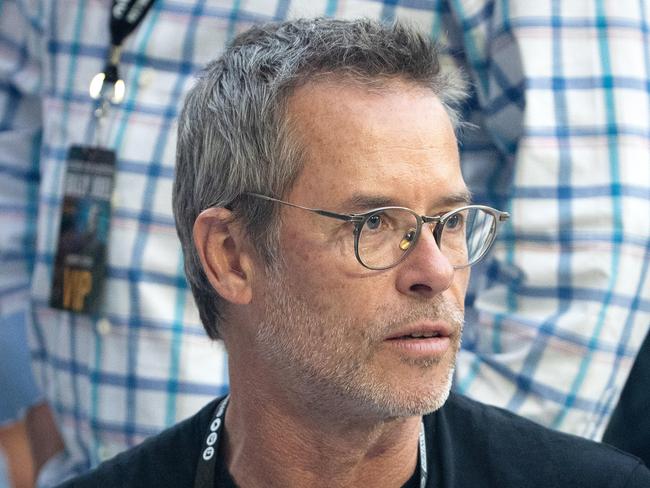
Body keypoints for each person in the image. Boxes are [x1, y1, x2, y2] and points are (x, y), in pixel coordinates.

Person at [2, 1, 649, 485]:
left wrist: (472, 456)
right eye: (374, 224)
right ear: (228, 255)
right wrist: (36, 403)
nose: (435, 270)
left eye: (450, 223)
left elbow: (594, 222)